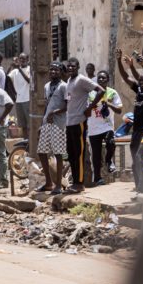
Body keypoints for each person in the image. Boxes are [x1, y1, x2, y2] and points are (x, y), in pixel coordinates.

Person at [117, 49, 143, 189]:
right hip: (136, 131)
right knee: (136, 160)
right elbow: (125, 77)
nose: (142, 82)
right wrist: (118, 61)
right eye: (140, 80)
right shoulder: (139, 91)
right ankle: (139, 188)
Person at [63, 58, 104, 194]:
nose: (70, 68)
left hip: (79, 121)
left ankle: (79, 183)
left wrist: (90, 108)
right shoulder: (69, 81)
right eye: (68, 66)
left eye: (73, 66)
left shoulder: (81, 80)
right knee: (71, 153)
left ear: (78, 67)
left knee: (79, 153)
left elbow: (100, 90)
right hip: (69, 122)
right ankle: (75, 182)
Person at [86, 69, 123, 186]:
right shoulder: (90, 93)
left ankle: (108, 160)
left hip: (107, 126)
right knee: (96, 155)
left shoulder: (112, 93)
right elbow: (86, 109)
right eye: (99, 78)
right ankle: (97, 178)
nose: (101, 79)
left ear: (108, 80)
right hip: (93, 128)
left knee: (111, 141)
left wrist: (109, 104)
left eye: (103, 78)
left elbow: (119, 110)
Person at [38, 62, 68, 195]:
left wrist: (54, 112)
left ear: (61, 72)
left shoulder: (64, 86)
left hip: (59, 123)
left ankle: (58, 185)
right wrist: (41, 123)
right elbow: (46, 105)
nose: (53, 72)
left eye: (56, 70)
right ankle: (48, 183)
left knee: (58, 153)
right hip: (46, 123)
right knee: (41, 152)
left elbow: (68, 105)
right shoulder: (46, 86)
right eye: (51, 70)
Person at [8, 53, 32, 138]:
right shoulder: (15, 71)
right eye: (20, 59)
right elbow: (7, 78)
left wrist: (19, 69)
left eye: (23, 59)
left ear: (27, 60)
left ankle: (31, 142)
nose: (22, 61)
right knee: (22, 125)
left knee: (30, 125)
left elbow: (29, 80)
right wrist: (11, 66)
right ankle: (26, 143)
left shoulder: (30, 69)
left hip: (27, 99)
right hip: (18, 101)